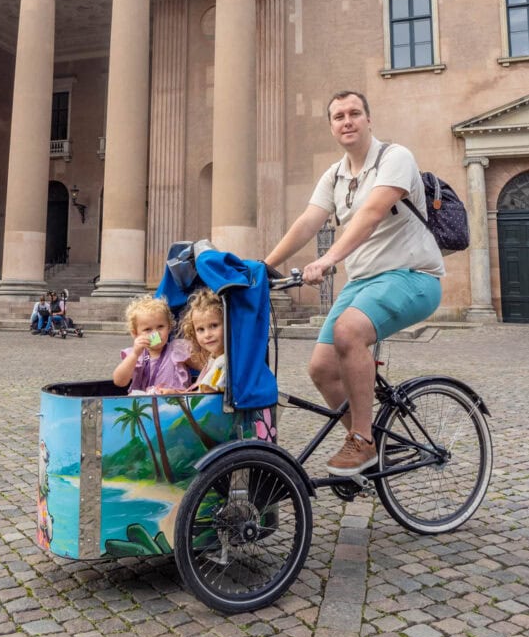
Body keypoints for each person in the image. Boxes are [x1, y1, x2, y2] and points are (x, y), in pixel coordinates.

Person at [265, 90, 444, 475]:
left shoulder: (395, 157)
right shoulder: (334, 175)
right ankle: (371, 441)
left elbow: (373, 213)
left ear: (368, 119)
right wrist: (264, 267)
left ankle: (361, 440)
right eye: (338, 116)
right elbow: (307, 222)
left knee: (348, 331)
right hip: (363, 284)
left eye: (354, 113)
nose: (347, 121)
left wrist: (329, 258)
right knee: (322, 368)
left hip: (413, 277)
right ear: (332, 127)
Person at [113, 294, 191, 393]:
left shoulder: (177, 349)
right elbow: (119, 382)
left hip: (174, 400)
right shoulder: (136, 355)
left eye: (160, 327)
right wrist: (134, 355)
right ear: (135, 333)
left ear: (169, 327)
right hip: (144, 401)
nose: (155, 333)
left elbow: (202, 364)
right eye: (148, 329)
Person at [180, 288, 227, 392]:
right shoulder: (214, 358)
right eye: (201, 329)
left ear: (227, 323)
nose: (207, 335)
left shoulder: (222, 363)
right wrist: (176, 393)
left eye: (214, 325)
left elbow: (206, 395)